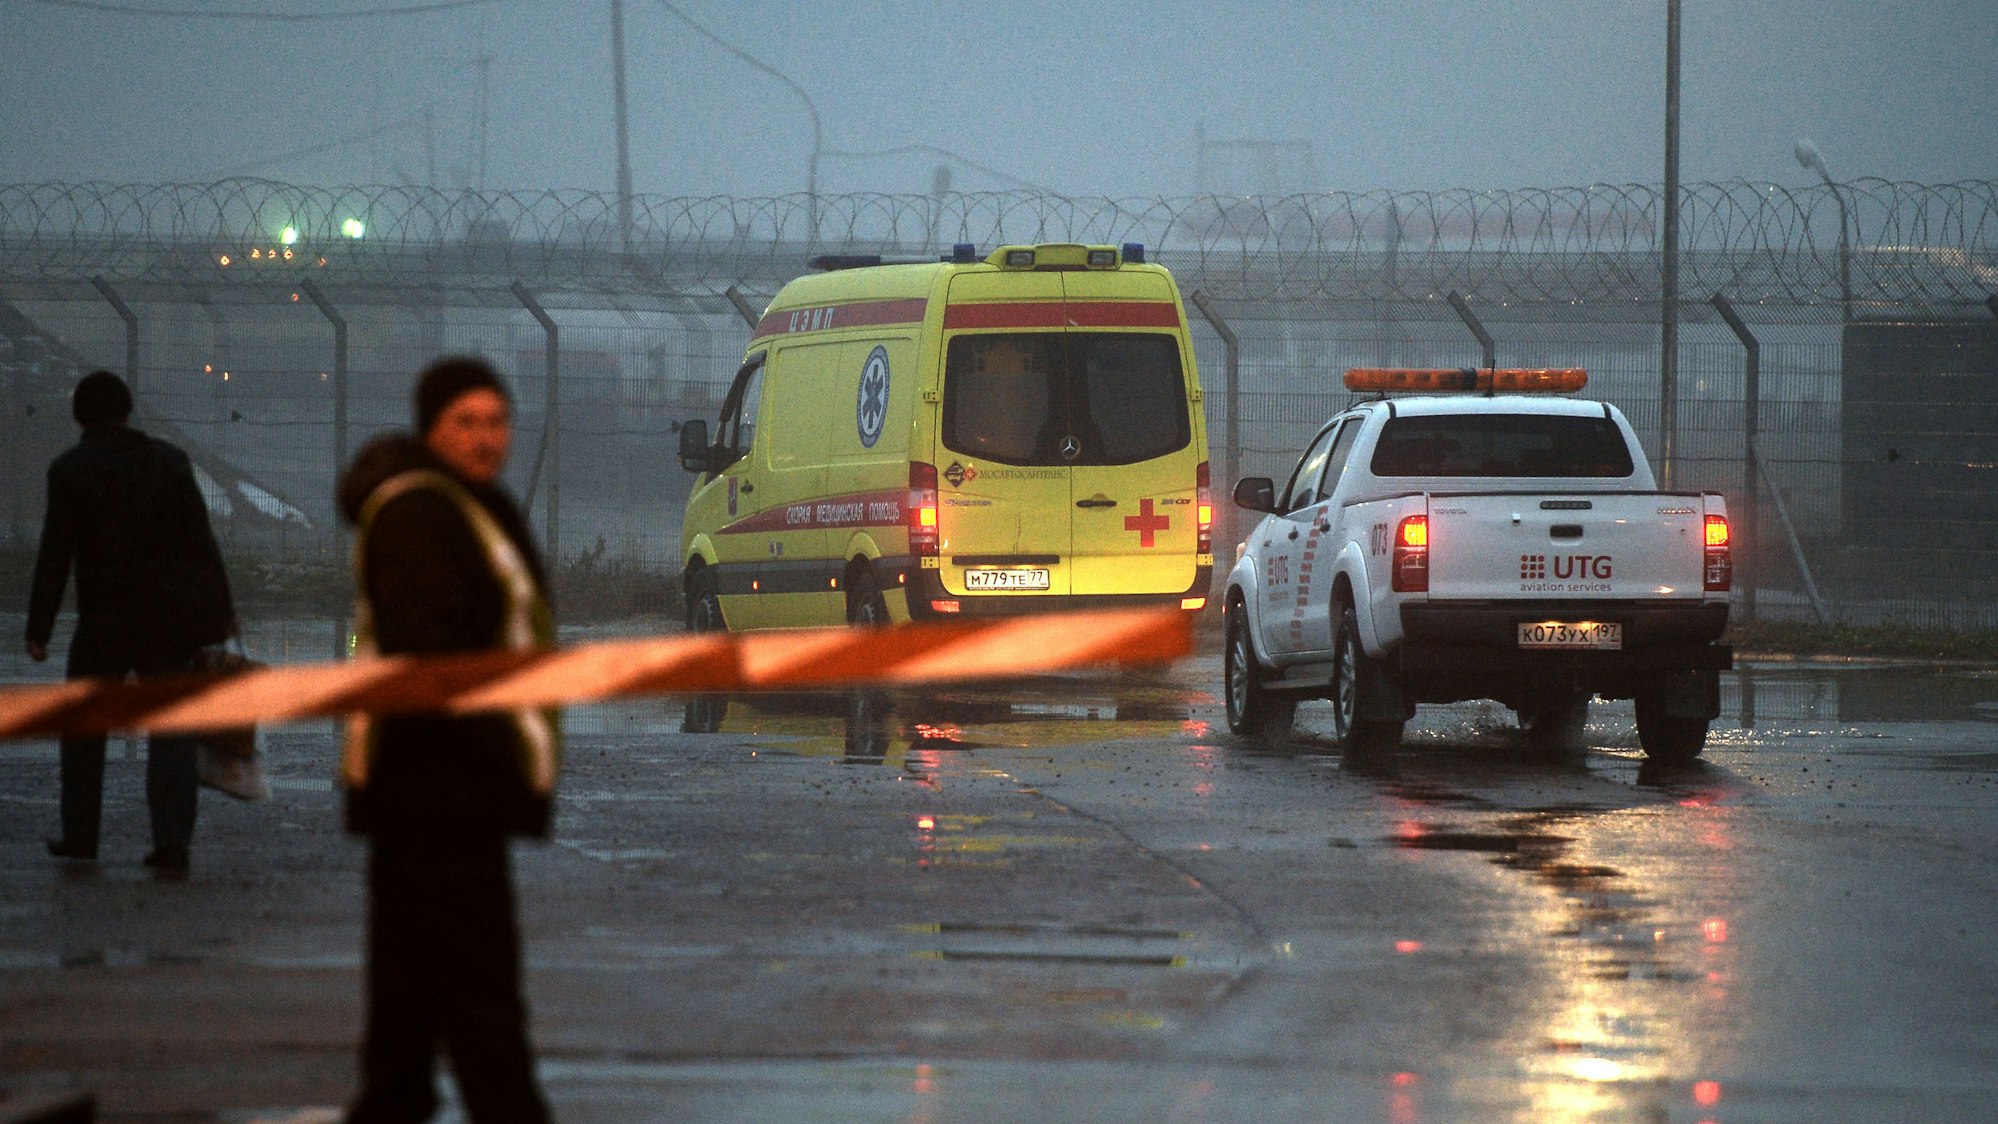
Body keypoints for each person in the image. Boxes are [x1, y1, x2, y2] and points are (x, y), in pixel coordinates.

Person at [336, 356, 559, 1123]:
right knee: (479, 994)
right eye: (466, 422)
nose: (485, 438)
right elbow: (433, 653)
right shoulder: (420, 512)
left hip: (448, 794)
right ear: (431, 428)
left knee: (407, 998)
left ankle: (393, 1104)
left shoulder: (469, 505)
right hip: (438, 792)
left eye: (496, 421)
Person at [26, 369, 236, 874]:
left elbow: (56, 553)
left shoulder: (70, 470)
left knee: (84, 729)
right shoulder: (169, 463)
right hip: (167, 618)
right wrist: (220, 613)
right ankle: (172, 841)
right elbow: (199, 543)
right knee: (172, 731)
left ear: (81, 414)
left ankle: (81, 837)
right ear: (128, 410)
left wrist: (39, 629)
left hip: (103, 618)